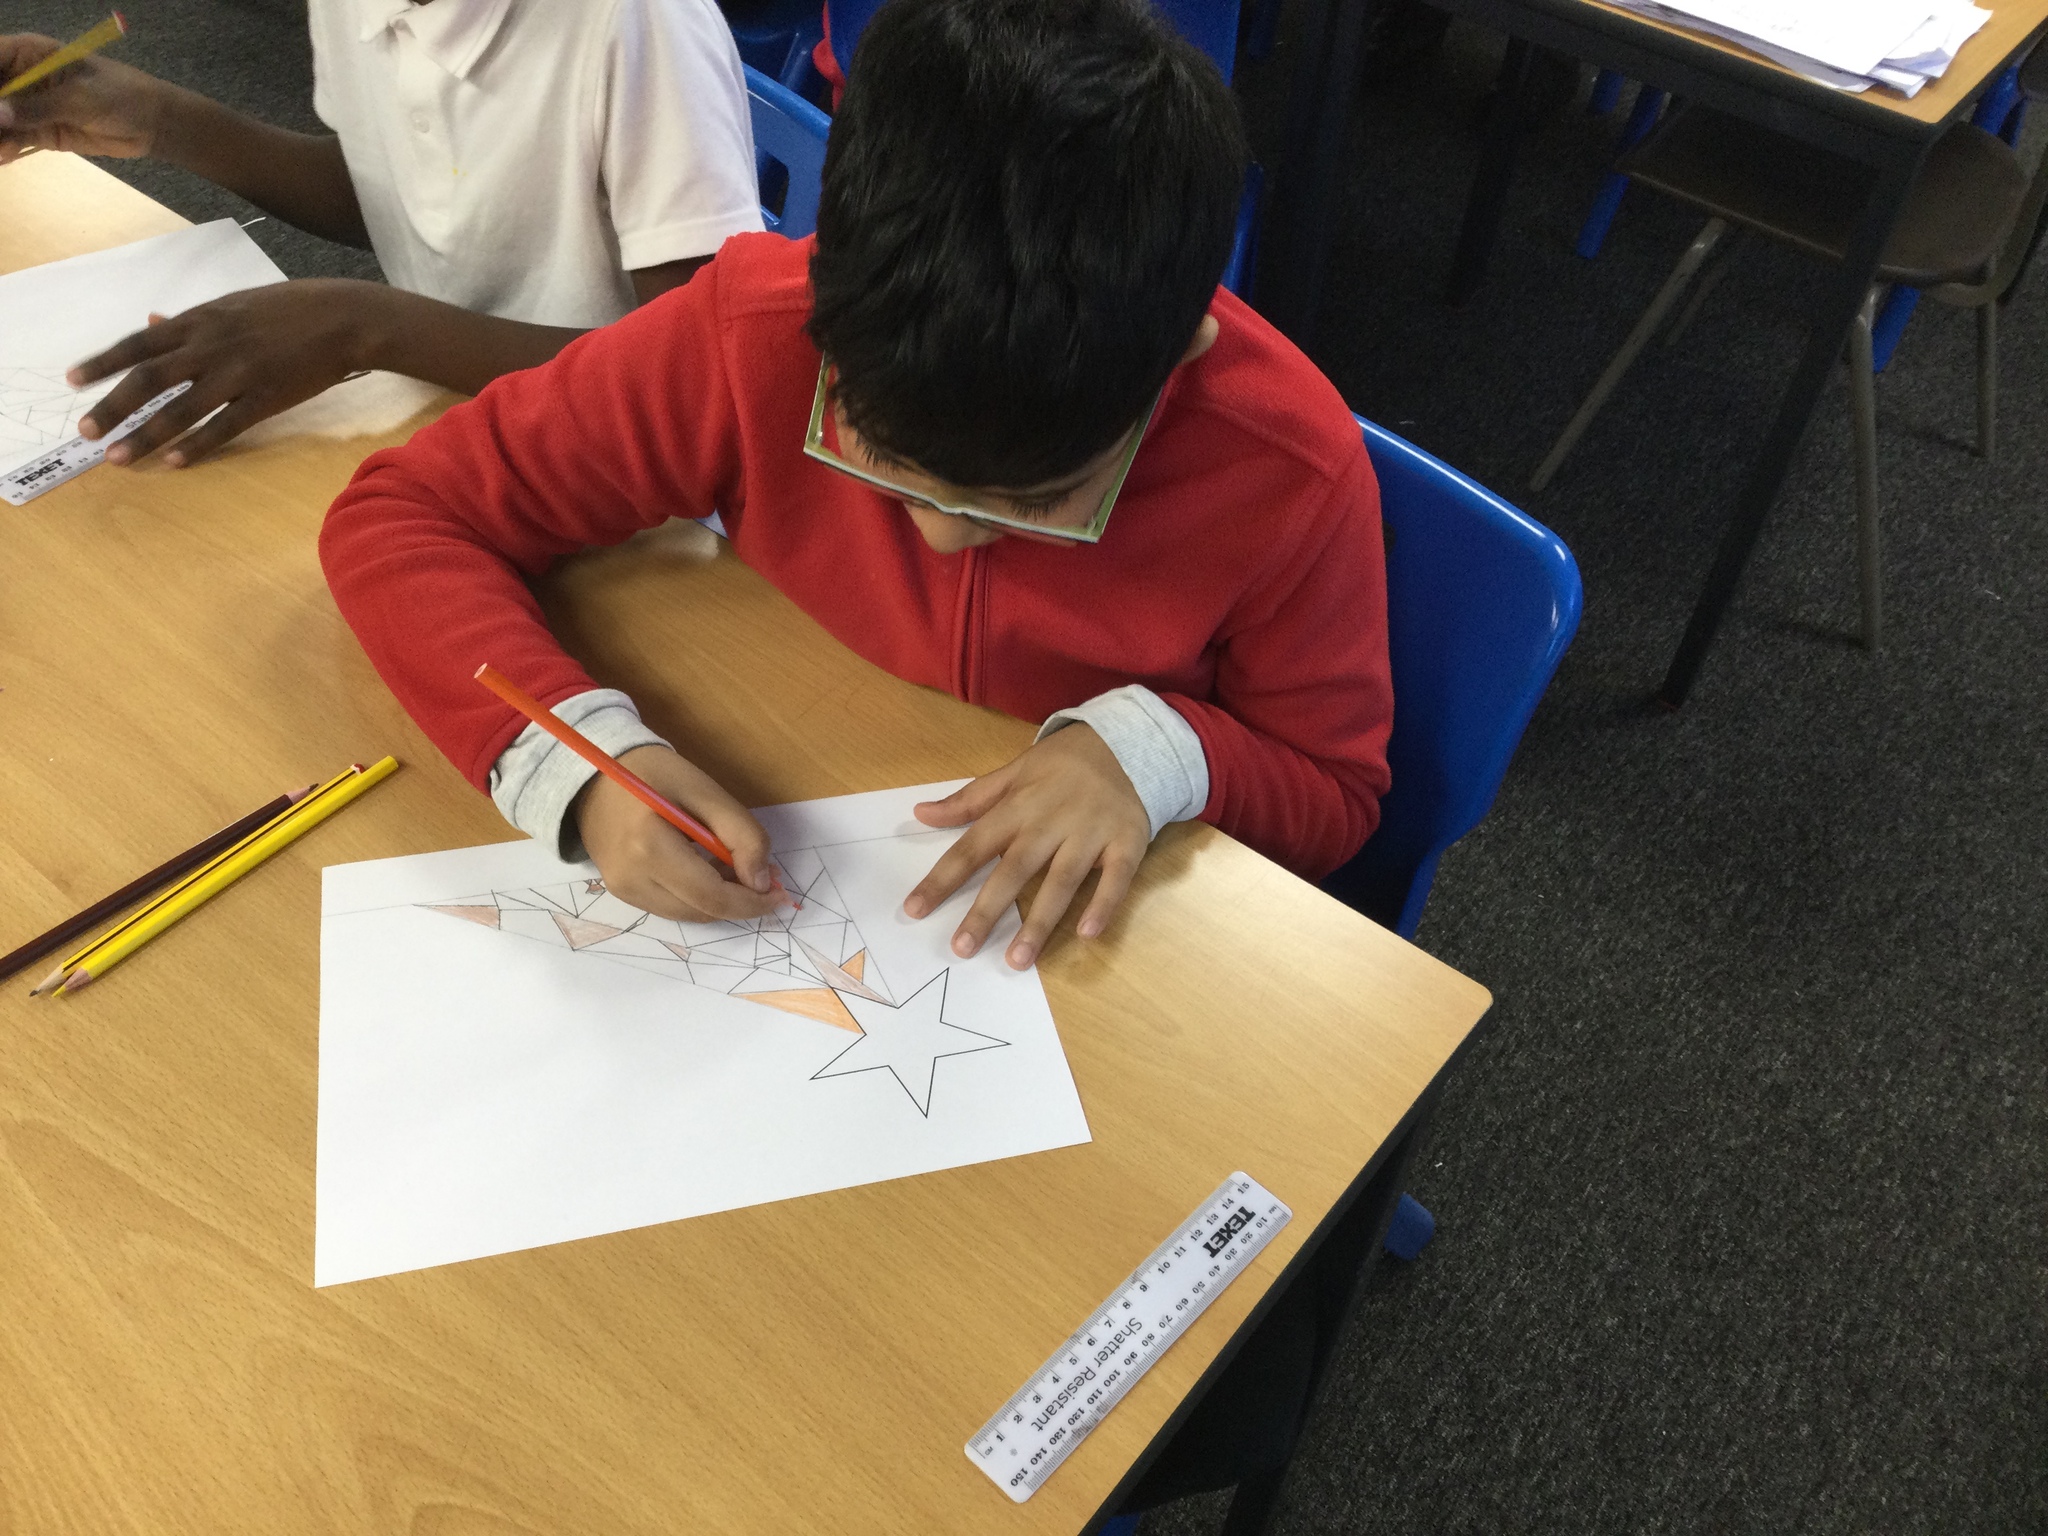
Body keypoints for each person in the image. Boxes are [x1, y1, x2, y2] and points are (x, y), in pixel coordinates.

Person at [319, 0, 1393, 976]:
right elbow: (406, 516)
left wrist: (1156, 753)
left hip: (1104, 958)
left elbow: (1335, 795)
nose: (942, 540)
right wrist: (582, 766)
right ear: (822, 299)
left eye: (1038, 500)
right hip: (826, 772)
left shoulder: (1287, 471)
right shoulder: (754, 334)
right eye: (885, 467)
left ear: (1180, 356)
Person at [0, 0, 761, 466]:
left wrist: (364, 328)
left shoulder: (639, 24)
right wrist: (160, 120)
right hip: (445, 416)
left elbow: (698, 379)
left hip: (624, 474)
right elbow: (392, 190)